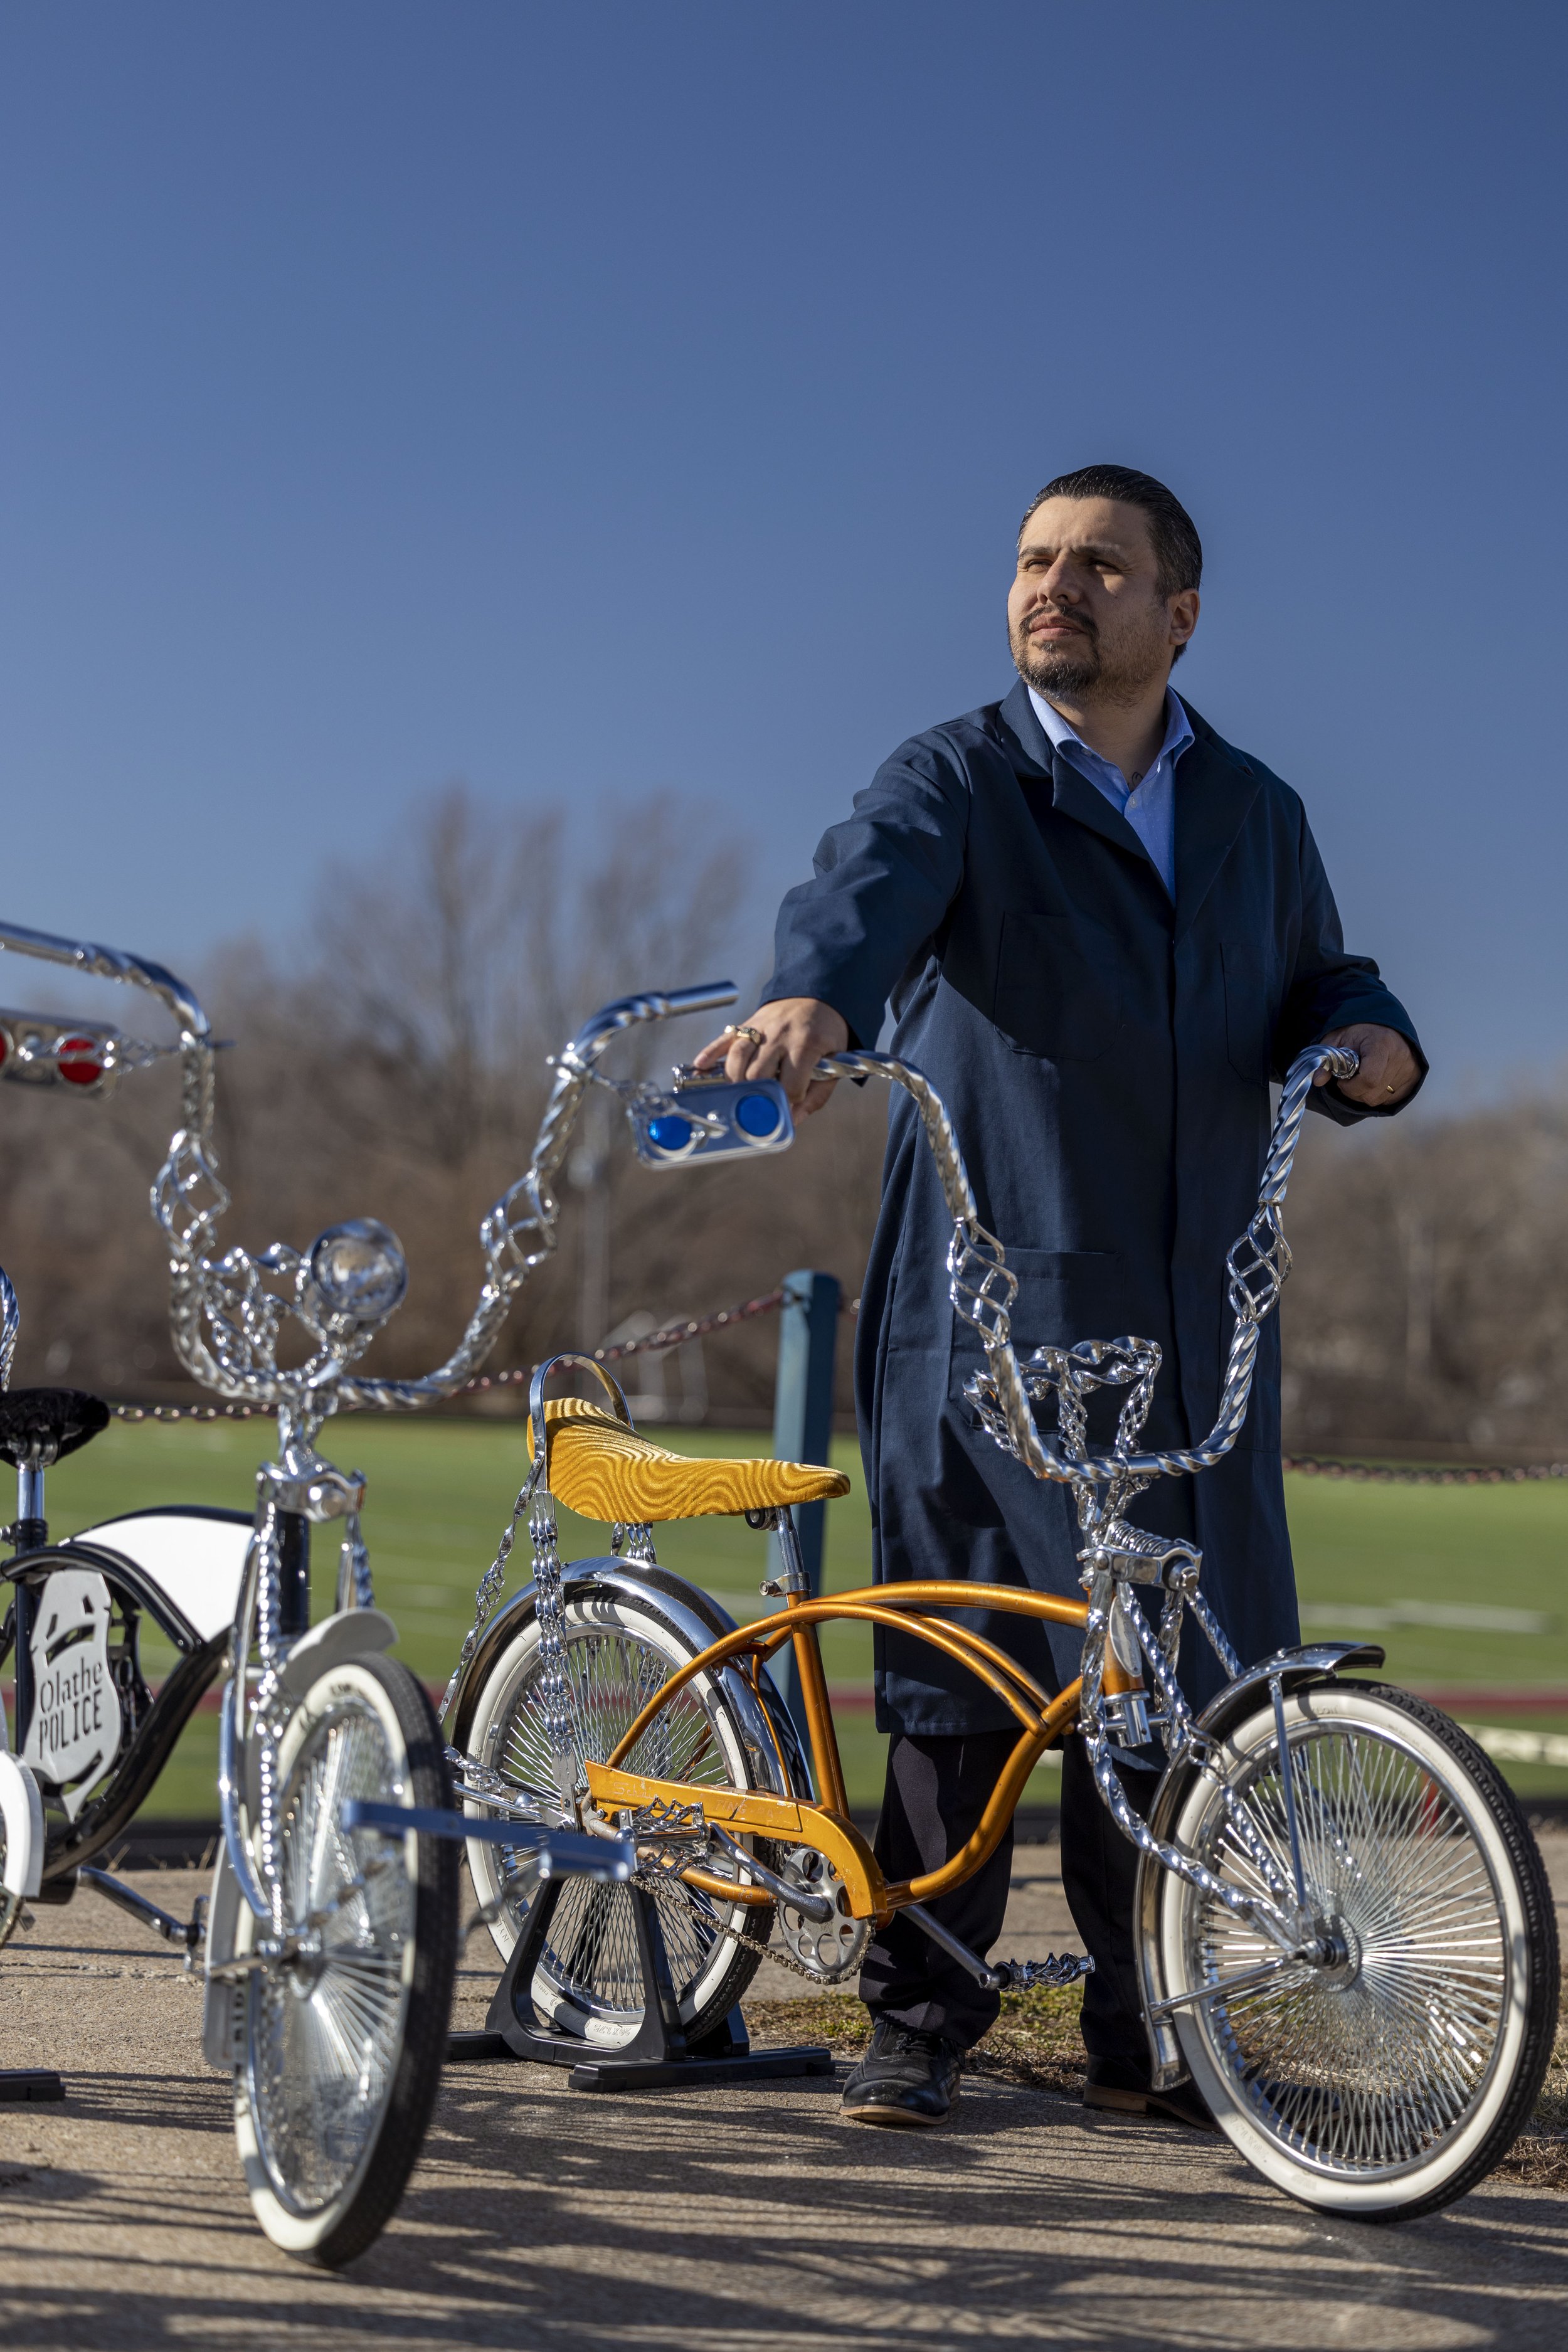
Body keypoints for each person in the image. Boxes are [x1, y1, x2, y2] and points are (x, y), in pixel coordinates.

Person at [694, 463, 1424, 2130]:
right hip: (992, 1301)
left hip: (1197, 1310)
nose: (1051, 587)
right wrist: (809, 1004)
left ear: (1177, 611)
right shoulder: (954, 775)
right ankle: (920, 2021)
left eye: (1095, 565)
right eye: (1031, 561)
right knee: (957, 1676)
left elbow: (1319, 971)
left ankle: (1150, 2025)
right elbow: (856, 899)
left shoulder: (1254, 811)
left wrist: (1372, 1038)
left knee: (1175, 1683)